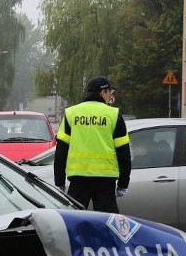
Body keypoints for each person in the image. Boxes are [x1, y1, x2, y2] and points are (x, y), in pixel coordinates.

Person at [54, 76, 131, 213]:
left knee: (74, 220)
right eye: (109, 92)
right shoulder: (113, 114)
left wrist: (59, 182)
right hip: (105, 180)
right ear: (102, 93)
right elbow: (123, 152)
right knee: (107, 223)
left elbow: (61, 150)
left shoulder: (71, 113)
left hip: (78, 179)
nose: (110, 96)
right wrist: (123, 183)